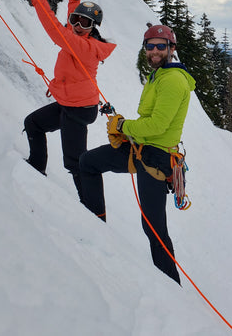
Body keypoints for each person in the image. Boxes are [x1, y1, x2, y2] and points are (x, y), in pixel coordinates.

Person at [79, 24, 195, 284]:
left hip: (156, 158)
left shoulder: (173, 81)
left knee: (153, 227)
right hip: (143, 149)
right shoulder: (159, 75)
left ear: (171, 49)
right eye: (150, 46)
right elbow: (151, 123)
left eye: (160, 46)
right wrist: (127, 130)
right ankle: (93, 225)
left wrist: (122, 126)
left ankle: (173, 286)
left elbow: (157, 125)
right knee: (88, 162)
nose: (154, 51)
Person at [23, 0, 116, 203]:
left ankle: (93, 212)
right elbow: (68, 29)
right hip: (68, 103)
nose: (76, 25)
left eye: (84, 23)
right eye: (75, 19)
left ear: (93, 28)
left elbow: (56, 31)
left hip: (79, 109)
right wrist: (74, 2)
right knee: (33, 123)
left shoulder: (86, 47)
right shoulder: (77, 37)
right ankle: (35, 171)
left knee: (76, 163)